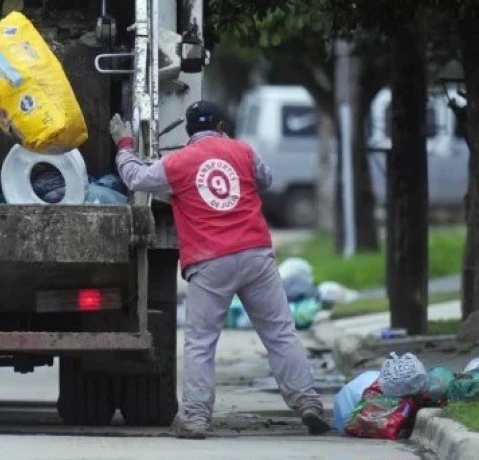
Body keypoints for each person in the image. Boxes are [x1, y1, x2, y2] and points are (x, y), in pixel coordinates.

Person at [109, 101, 331, 439]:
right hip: (256, 255)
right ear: (222, 126)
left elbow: (136, 178)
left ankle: (196, 419)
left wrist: (124, 143)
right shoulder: (243, 151)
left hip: (210, 261)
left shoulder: (178, 162)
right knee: (280, 334)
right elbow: (265, 179)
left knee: (201, 343)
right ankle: (307, 402)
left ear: (188, 131)